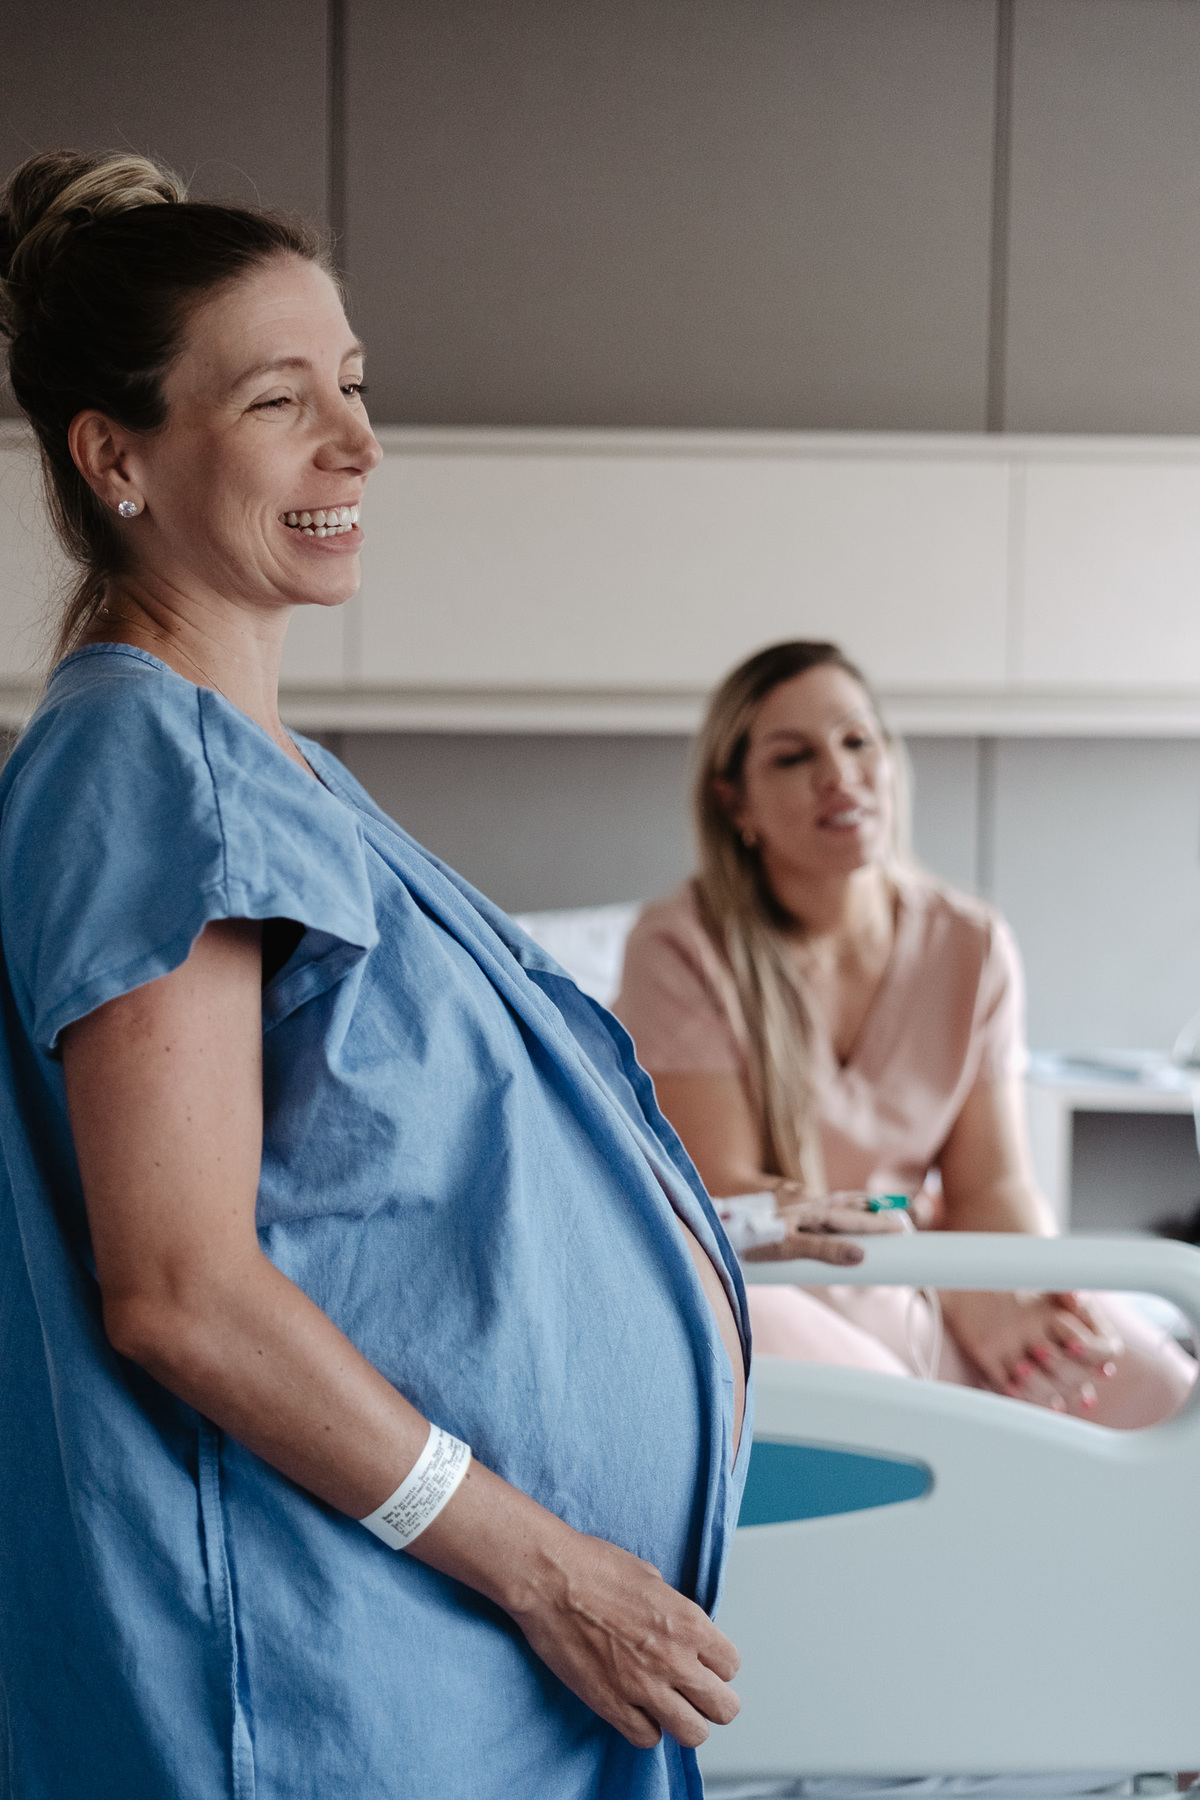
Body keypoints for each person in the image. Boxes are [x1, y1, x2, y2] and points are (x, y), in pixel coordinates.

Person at [0, 151, 867, 1800]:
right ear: (116, 457)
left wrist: (682, 1217)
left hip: (435, 1662)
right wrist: (552, 1572)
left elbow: (362, 1171)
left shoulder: (270, 768)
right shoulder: (152, 771)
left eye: (354, 384)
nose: (358, 444)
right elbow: (183, 1289)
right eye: (279, 402)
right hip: (326, 1668)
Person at [615, 640, 1196, 1428]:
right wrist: (941, 1269)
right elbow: (734, 1192)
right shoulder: (679, 948)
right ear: (735, 802)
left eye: (858, 740)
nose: (839, 773)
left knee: (1166, 1399)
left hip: (932, 1258)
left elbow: (992, 1185)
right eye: (793, 756)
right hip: (783, 1276)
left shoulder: (971, 943)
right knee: (903, 1427)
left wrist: (1016, 1291)